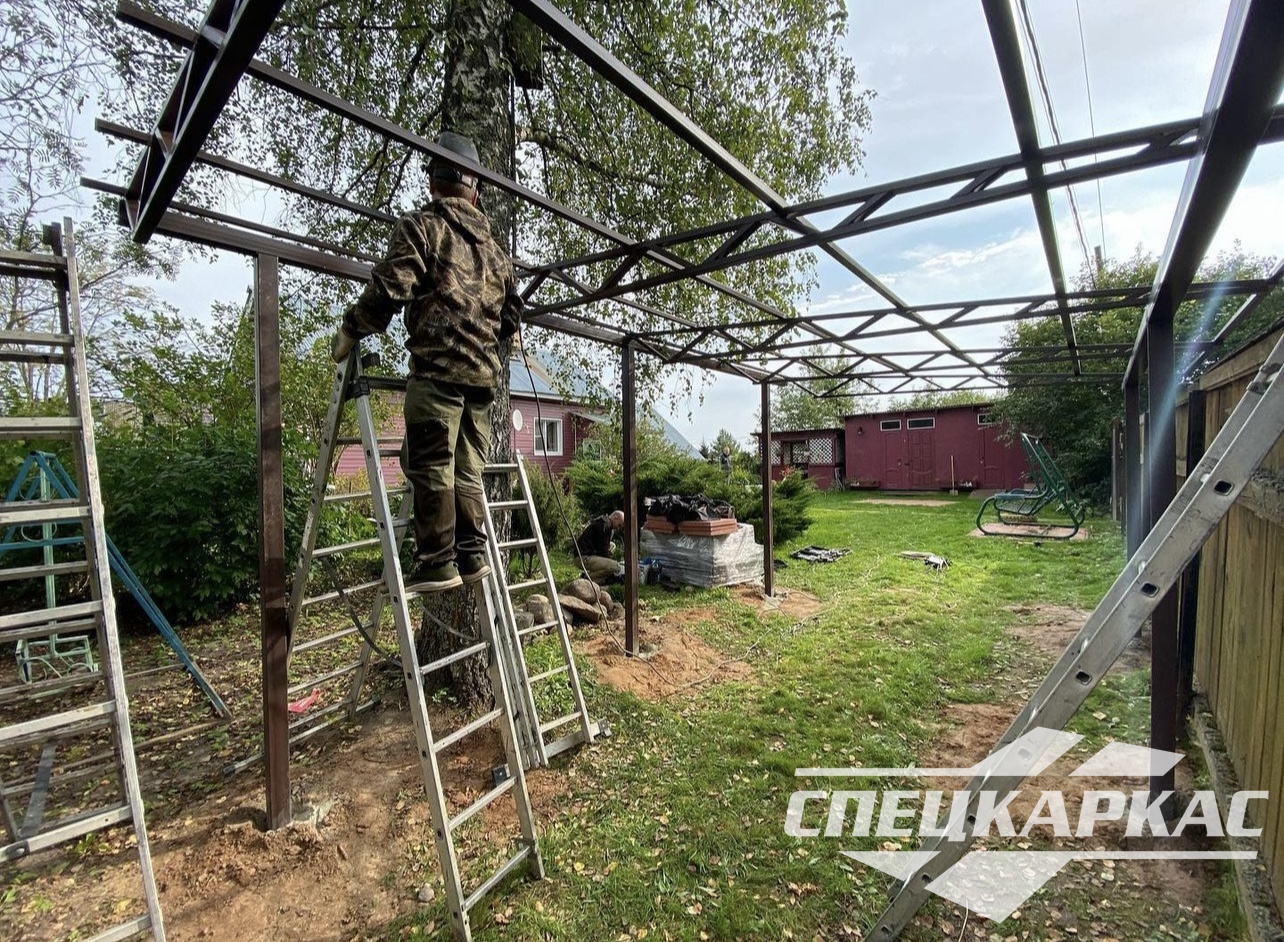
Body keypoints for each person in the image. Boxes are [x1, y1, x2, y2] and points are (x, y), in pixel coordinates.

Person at [331, 131, 522, 592]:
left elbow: (391, 287)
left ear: (434, 182)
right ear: (476, 190)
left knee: (431, 463)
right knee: (467, 468)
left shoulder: (423, 227)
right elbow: (512, 316)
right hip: (482, 383)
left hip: (437, 375)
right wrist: (489, 341)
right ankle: (472, 552)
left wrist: (350, 330)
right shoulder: (497, 255)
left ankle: (437, 561)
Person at [575, 510, 625, 584]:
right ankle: (587, 578)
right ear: (615, 517)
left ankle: (594, 574)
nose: (618, 528)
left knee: (612, 545)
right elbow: (603, 551)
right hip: (583, 558)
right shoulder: (604, 526)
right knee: (615, 567)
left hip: (585, 553)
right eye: (619, 525)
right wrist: (612, 563)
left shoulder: (604, 523)